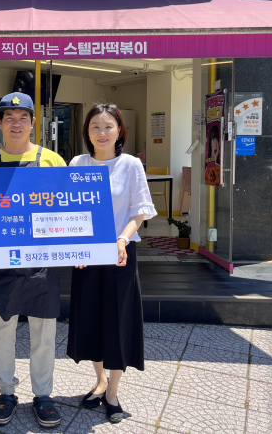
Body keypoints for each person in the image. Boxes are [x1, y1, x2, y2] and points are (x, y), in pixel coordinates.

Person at [0, 92, 66, 428]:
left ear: (33, 122)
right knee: (2, 331)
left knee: (44, 333)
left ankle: (43, 395)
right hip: (2, 262)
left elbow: (67, 208)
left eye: (23, 118)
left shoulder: (52, 161)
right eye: (9, 118)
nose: (16, 124)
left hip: (42, 260)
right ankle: (6, 392)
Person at [66, 103, 157, 424]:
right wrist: (75, 245)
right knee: (90, 318)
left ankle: (113, 392)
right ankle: (100, 381)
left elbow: (139, 211)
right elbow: (68, 209)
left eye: (108, 126)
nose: (102, 132)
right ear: (86, 132)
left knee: (118, 321)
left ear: (120, 131)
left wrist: (122, 239)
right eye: (95, 126)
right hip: (86, 254)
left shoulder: (130, 165)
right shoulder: (77, 163)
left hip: (120, 255)